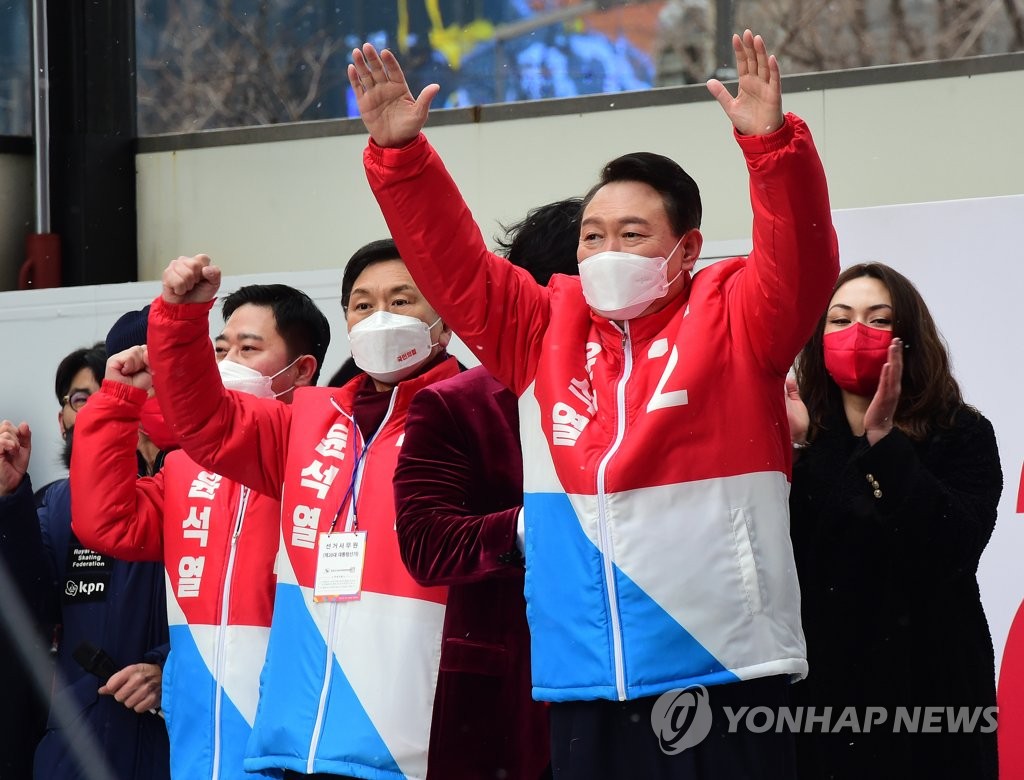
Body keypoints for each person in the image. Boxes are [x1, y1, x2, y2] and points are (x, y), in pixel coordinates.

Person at [351, 29, 839, 778]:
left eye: (633, 234)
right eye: (592, 235)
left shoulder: (737, 317)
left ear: (687, 248)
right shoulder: (543, 327)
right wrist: (402, 162)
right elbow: (454, 266)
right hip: (583, 678)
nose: (606, 250)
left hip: (724, 669)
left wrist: (772, 148)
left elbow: (800, 260)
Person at [147, 239, 471, 779]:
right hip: (301, 743)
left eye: (403, 300)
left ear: (446, 322)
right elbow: (204, 421)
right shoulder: (308, 422)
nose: (380, 318)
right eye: (363, 305)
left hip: (417, 744)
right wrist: (181, 319)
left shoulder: (478, 413)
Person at [70, 286, 329, 780]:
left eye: (248, 349)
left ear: (300, 370)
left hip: (295, 743)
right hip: (197, 744)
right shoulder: (185, 466)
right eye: (221, 349)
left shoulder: (324, 462)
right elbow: (107, 521)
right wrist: (121, 398)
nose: (228, 361)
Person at [786, 262, 1001, 779]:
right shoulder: (803, 441)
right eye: (840, 320)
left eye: (877, 320)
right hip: (826, 695)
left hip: (934, 687)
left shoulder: (961, 431)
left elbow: (954, 544)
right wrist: (793, 449)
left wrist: (885, 443)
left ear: (909, 338)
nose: (856, 333)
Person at [392, 196, 582, 780]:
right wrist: (534, 527)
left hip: (640, 687)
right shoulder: (459, 404)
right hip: (505, 701)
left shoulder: (658, 394)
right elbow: (425, 541)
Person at [0, 338, 171, 780]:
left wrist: (166, 668)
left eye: (115, 390)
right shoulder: (57, 504)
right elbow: (33, 605)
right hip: (77, 745)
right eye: (83, 398)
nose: (99, 407)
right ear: (63, 419)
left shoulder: (196, 492)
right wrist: (11, 498)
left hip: (172, 744)